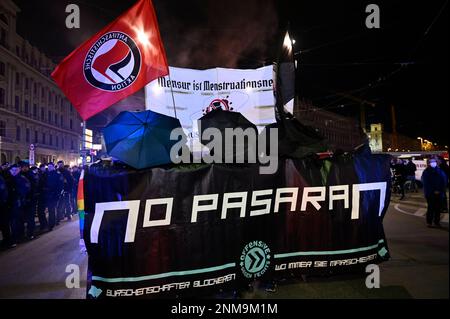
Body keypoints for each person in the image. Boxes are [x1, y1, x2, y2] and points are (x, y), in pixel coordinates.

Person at [421, 157, 448, 228]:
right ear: (429, 163)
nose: (433, 163)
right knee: (431, 208)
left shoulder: (440, 170)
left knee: (438, 208)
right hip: (430, 193)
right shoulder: (426, 172)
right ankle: (429, 222)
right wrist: (434, 190)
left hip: (439, 193)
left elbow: (444, 180)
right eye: (432, 162)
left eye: (434, 162)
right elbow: (426, 183)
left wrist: (440, 190)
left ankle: (437, 222)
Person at [45, 162, 63, 231]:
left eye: (50, 166)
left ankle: (51, 224)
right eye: (48, 166)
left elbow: (60, 185)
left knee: (52, 210)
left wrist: (58, 194)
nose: (49, 168)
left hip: (54, 195)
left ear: (53, 167)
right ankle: (53, 222)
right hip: (48, 194)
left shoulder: (57, 174)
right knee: (50, 210)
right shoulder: (47, 174)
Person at [36, 163, 48, 231]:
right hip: (40, 195)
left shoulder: (46, 175)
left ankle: (44, 225)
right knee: (40, 211)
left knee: (41, 211)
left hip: (43, 195)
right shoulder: (39, 174)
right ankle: (43, 224)